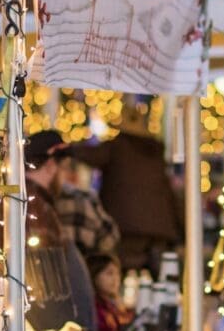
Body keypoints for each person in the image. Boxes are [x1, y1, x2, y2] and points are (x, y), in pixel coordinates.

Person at [71, 106, 182, 274]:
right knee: (156, 281)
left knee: (119, 273)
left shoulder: (116, 147)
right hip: (159, 228)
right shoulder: (155, 152)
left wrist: (66, 149)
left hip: (125, 225)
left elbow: (91, 155)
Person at [24, 130, 97, 331]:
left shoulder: (32, 202)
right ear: (50, 166)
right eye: (63, 169)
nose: (64, 178)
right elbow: (45, 285)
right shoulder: (34, 208)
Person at [54, 157, 120, 257]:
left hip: (46, 267)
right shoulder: (84, 199)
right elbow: (111, 237)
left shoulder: (34, 200)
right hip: (85, 265)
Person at [88, 253, 133, 331]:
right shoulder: (93, 307)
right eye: (109, 273)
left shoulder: (110, 305)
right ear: (94, 276)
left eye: (118, 273)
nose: (116, 279)